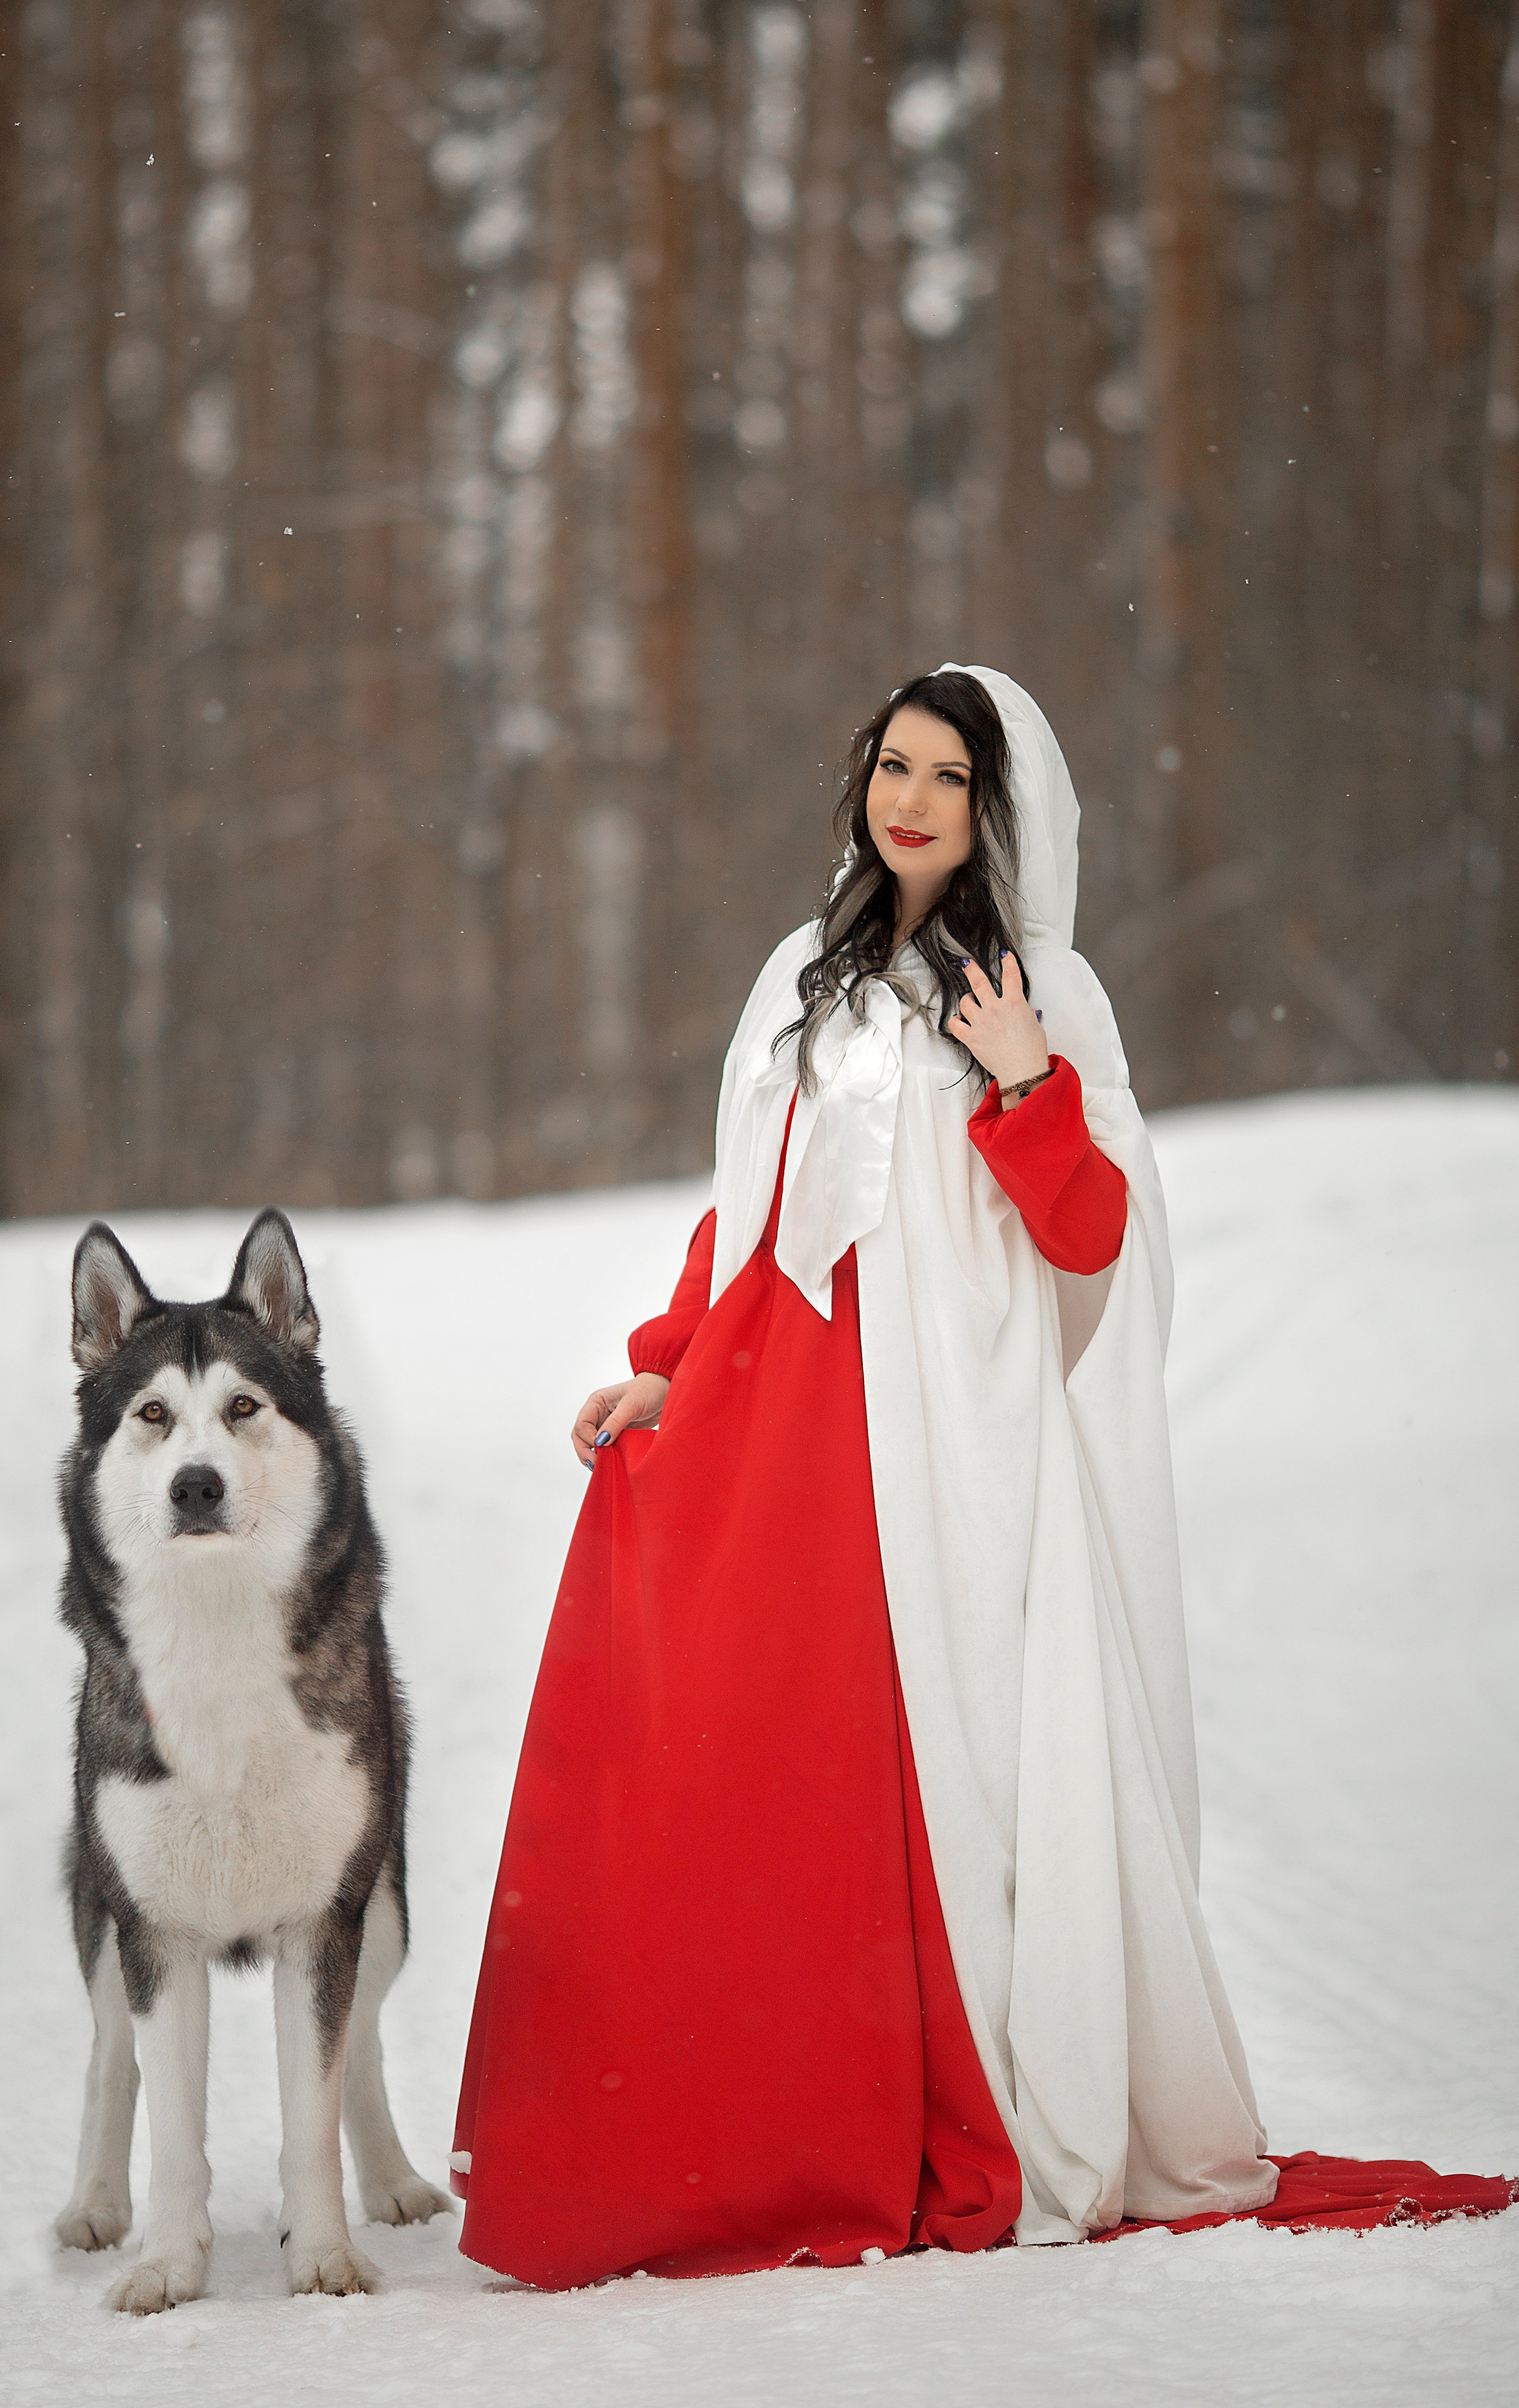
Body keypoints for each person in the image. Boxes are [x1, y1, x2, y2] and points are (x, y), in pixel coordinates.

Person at [448, 666, 1511, 2288]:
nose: (912, 797)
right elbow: (747, 1208)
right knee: (763, 1746)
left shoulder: (1047, 990)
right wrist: (664, 1357)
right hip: (789, 1416)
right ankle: (761, 2110)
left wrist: (1024, 1076)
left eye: (949, 773)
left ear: (997, 806)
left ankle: (975, 2095)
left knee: (961, 1770)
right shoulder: (798, 977)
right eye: (893, 762)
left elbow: (1091, 1239)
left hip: (959, 1434)